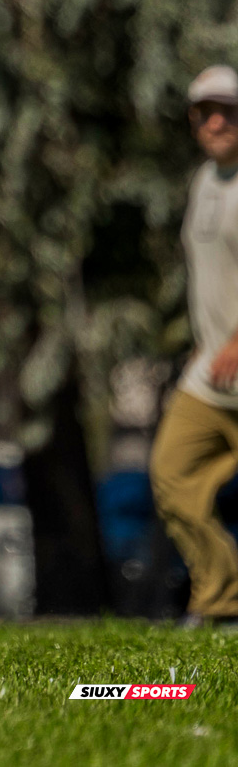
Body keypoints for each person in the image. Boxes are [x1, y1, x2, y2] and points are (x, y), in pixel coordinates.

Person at [152, 64, 238, 631]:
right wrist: (207, 344)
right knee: (171, 473)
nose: (217, 120)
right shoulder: (205, 182)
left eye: (227, 110)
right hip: (214, 372)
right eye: (206, 111)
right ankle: (221, 602)